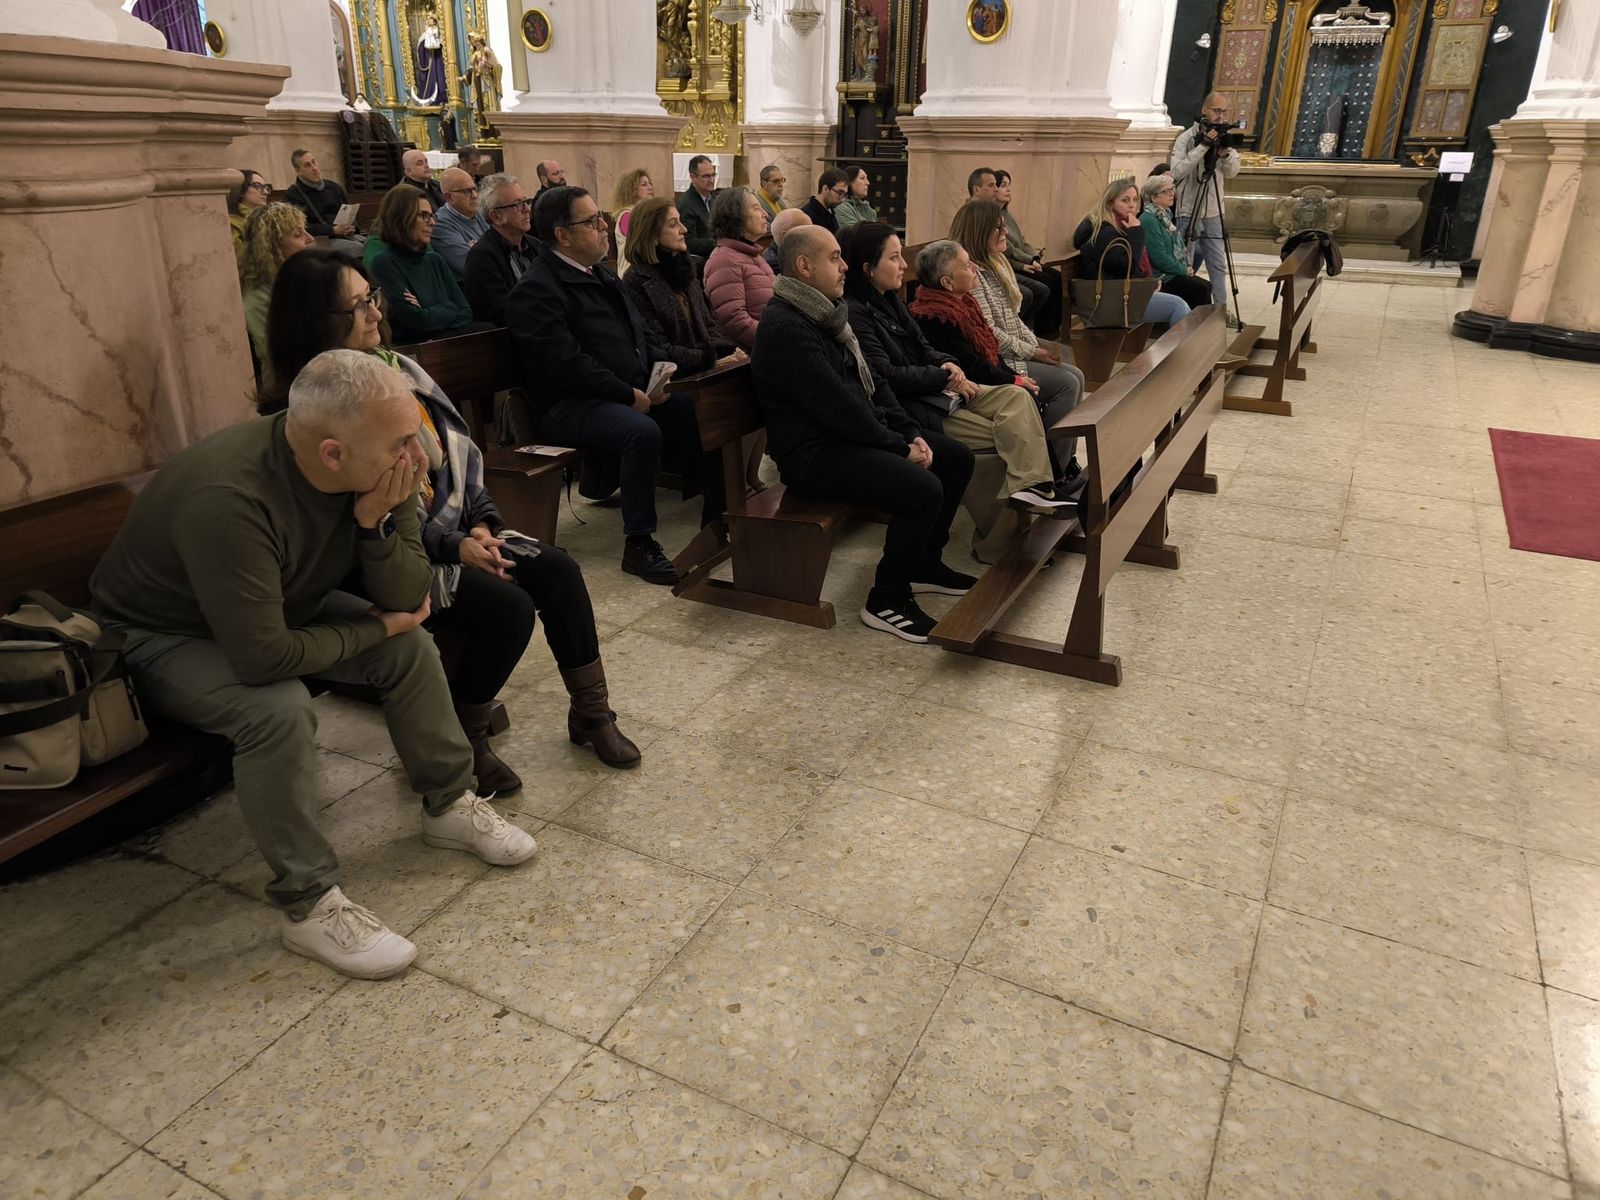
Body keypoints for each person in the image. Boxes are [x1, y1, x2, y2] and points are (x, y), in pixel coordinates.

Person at [90, 349, 538, 980]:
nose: (418, 458)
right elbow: (263, 656)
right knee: (277, 710)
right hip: (160, 632)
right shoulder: (230, 497)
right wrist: (375, 625)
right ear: (333, 454)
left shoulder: (381, 466)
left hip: (278, 598)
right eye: (401, 444)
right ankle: (307, 904)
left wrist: (375, 524)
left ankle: (447, 804)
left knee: (409, 647)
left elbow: (406, 596)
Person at [259, 249, 640, 779]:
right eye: (356, 307)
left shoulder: (400, 368)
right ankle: (465, 740)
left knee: (558, 570)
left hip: (450, 531)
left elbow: (460, 455)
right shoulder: (310, 408)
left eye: (373, 297)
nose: (375, 314)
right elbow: (363, 513)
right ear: (315, 321)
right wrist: (454, 545)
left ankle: (593, 714)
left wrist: (482, 523)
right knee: (506, 607)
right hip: (376, 561)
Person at [752, 226, 976, 643]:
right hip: (811, 454)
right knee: (922, 488)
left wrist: (909, 430)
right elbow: (837, 405)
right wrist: (898, 446)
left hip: (844, 437)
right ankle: (887, 599)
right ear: (804, 266)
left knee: (956, 458)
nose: (845, 267)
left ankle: (925, 563)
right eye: (835, 258)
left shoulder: (825, 312)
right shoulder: (787, 324)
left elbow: (873, 382)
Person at [505, 185, 703, 586]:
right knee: (640, 432)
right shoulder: (538, 288)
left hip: (623, 391)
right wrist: (626, 394)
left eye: (601, 219)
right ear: (562, 234)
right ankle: (640, 543)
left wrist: (657, 375)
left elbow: (641, 330)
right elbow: (565, 363)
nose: (604, 227)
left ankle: (719, 514)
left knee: (701, 407)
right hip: (568, 405)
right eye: (593, 221)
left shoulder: (602, 275)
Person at [844, 225, 1068, 518]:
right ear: (868, 268)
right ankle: (1005, 538)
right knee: (1012, 435)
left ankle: (1035, 487)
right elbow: (886, 374)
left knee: (1017, 397)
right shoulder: (857, 311)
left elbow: (925, 347)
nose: (903, 265)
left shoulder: (889, 300)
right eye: (894, 257)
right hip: (917, 405)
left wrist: (947, 364)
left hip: (939, 388)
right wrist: (946, 374)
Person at [948, 198, 1085, 485]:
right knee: (1067, 383)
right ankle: (1052, 471)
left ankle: (1066, 460)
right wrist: (1032, 351)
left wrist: (1037, 345)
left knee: (1076, 373)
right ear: (980, 231)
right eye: (998, 227)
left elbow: (1011, 319)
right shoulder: (972, 274)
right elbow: (989, 333)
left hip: (1012, 350)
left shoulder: (995, 265)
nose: (1006, 233)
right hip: (995, 361)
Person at [1071, 177, 1192, 329]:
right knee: (1177, 306)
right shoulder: (1104, 232)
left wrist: (1147, 282)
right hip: (1110, 300)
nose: (1132, 205)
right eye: (1125, 200)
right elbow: (1125, 267)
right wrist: (1136, 233)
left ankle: (1183, 350)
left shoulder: (1119, 226)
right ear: (1110, 203)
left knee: (1186, 298)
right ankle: (1182, 352)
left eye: (1135, 200)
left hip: (1120, 292)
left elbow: (1126, 267)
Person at [367, 184, 480, 344]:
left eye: (432, 215)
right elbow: (415, 320)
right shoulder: (384, 263)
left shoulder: (435, 260)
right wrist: (448, 307)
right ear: (401, 218)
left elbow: (466, 312)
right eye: (423, 215)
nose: (432, 223)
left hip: (445, 342)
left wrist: (427, 311)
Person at [1171, 92, 1240, 319]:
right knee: (1185, 264)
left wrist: (1225, 154)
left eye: (1224, 111)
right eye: (1216, 110)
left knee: (1218, 265)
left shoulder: (1224, 136)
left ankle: (1221, 310)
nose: (1220, 116)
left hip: (1213, 211)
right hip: (1188, 209)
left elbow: (1232, 172)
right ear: (1204, 110)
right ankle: (1184, 311)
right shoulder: (1187, 138)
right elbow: (1177, 171)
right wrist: (1203, 146)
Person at [238, 202, 315, 384]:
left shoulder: (302, 277)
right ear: (271, 246)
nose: (310, 238)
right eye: (298, 234)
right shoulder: (258, 296)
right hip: (289, 385)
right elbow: (280, 354)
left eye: (305, 230)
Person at [463, 174, 543, 327]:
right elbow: (502, 312)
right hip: (511, 338)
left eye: (526, 201)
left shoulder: (536, 246)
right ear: (496, 216)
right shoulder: (481, 257)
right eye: (517, 204)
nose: (527, 209)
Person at [704, 185, 774, 351]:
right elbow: (733, 319)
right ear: (735, 216)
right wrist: (774, 340)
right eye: (756, 208)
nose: (765, 214)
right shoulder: (723, 260)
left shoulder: (753, 254)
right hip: (752, 353)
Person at [994, 168, 1061, 337]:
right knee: (1043, 285)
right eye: (1003, 185)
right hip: (1009, 264)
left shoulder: (1007, 214)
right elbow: (1007, 249)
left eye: (1009, 185)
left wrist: (1035, 257)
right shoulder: (991, 215)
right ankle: (1039, 331)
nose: (1008, 189)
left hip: (1020, 262)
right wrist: (1026, 263)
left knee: (1056, 277)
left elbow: (1023, 241)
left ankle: (1052, 330)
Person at [1140, 172, 1213, 309]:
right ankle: (1190, 328)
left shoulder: (1165, 215)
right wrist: (1183, 270)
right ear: (1154, 197)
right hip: (1161, 276)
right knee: (1199, 289)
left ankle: (1203, 328)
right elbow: (1158, 257)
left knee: (1207, 286)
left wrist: (1185, 267)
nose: (1172, 194)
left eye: (1173, 189)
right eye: (1166, 191)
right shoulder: (1149, 219)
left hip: (1171, 272)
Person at [284, 148, 362, 254]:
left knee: (371, 244)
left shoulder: (334, 187)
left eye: (314, 162)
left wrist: (352, 227)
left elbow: (349, 213)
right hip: (319, 239)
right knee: (357, 248)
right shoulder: (292, 195)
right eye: (307, 165)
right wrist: (332, 230)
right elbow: (300, 227)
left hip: (344, 235)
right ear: (298, 171)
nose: (314, 168)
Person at [431, 166, 489, 277]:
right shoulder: (440, 225)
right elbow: (470, 265)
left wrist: (477, 249)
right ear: (449, 197)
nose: (475, 195)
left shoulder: (477, 213)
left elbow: (502, 247)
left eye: (474, 189)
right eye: (467, 191)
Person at [610, 167, 655, 274]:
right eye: (644, 184)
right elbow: (640, 245)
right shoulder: (627, 216)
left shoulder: (646, 213)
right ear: (632, 189)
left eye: (650, 183)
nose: (650, 187)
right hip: (632, 273)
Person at [677, 154, 719, 257]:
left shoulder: (713, 198)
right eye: (706, 176)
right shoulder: (686, 204)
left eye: (713, 175)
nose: (711, 180)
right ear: (693, 177)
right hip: (700, 261)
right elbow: (689, 242)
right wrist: (720, 244)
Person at [227, 168, 272, 259]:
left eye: (266, 187)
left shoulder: (269, 219)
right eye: (257, 186)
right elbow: (239, 258)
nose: (265, 192)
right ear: (241, 191)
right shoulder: (232, 224)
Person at [800, 168, 848, 234]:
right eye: (840, 192)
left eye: (844, 195)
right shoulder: (807, 215)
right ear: (825, 188)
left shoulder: (830, 212)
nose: (842, 199)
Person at [764, 207, 811, 274]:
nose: (811, 237)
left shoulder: (791, 254)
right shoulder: (777, 265)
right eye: (806, 232)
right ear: (786, 236)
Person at [833, 166, 878, 230]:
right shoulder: (841, 207)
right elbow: (854, 233)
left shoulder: (869, 210)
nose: (867, 183)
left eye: (867, 179)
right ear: (850, 182)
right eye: (862, 178)